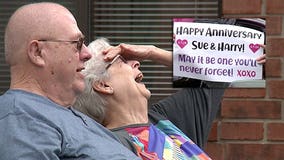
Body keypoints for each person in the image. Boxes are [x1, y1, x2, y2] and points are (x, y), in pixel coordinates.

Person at [74, 38, 266, 160]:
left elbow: (213, 75)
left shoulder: (163, 120)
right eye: (123, 61)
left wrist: (152, 52)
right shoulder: (107, 146)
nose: (136, 62)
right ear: (103, 85)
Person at [0, 2, 141, 160]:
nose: (87, 54)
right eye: (78, 44)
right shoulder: (22, 119)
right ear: (37, 52)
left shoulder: (66, 116)